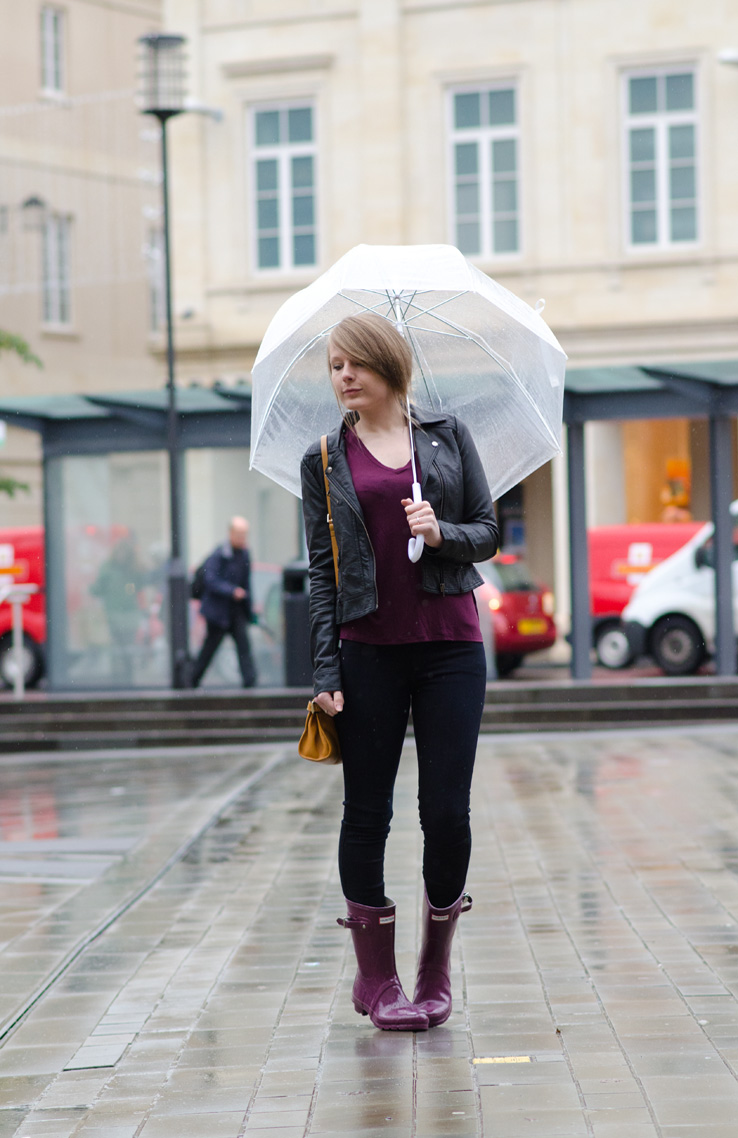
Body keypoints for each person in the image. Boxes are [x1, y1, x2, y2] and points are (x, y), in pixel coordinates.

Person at [300, 312, 498, 1032]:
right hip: (368, 650)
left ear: (388, 366)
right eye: (334, 365)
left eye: (356, 363)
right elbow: (321, 574)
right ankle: (376, 980)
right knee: (368, 811)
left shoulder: (445, 439)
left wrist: (440, 533)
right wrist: (325, 668)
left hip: (450, 645)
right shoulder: (323, 457)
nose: (344, 376)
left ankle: (434, 970)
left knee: (446, 813)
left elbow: (489, 532)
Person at [191, 516, 257, 688]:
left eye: (245, 534)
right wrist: (231, 591)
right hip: (218, 612)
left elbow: (247, 583)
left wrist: (249, 610)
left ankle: (250, 683)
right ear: (231, 533)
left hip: (236, 611)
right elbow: (210, 580)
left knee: (244, 647)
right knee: (209, 649)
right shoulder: (219, 554)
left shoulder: (244, 555)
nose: (242, 538)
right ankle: (191, 680)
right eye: (239, 534)